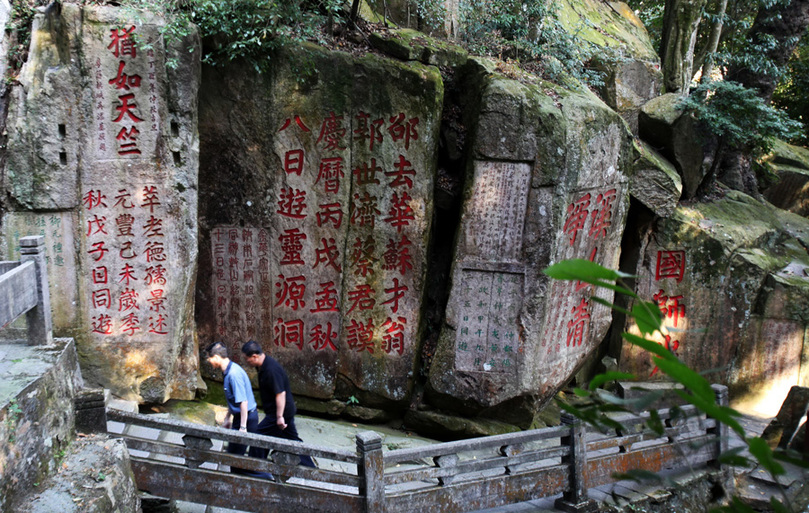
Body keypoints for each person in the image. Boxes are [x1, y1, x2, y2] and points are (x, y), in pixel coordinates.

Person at [204, 341, 274, 480]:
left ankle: (267, 477)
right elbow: (234, 399)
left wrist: (242, 428)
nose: (209, 361)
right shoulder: (228, 370)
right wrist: (227, 419)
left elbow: (243, 402)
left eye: (209, 358)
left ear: (217, 357)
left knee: (236, 460)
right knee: (233, 456)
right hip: (241, 417)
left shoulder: (233, 374)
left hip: (246, 418)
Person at [241, 340, 316, 467]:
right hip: (279, 413)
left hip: (279, 414)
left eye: (247, 359)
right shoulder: (263, 366)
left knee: (259, 437)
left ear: (254, 356)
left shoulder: (271, 369)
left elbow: (280, 393)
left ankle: (254, 467)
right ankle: (310, 468)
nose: (246, 362)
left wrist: (280, 417)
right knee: (291, 440)